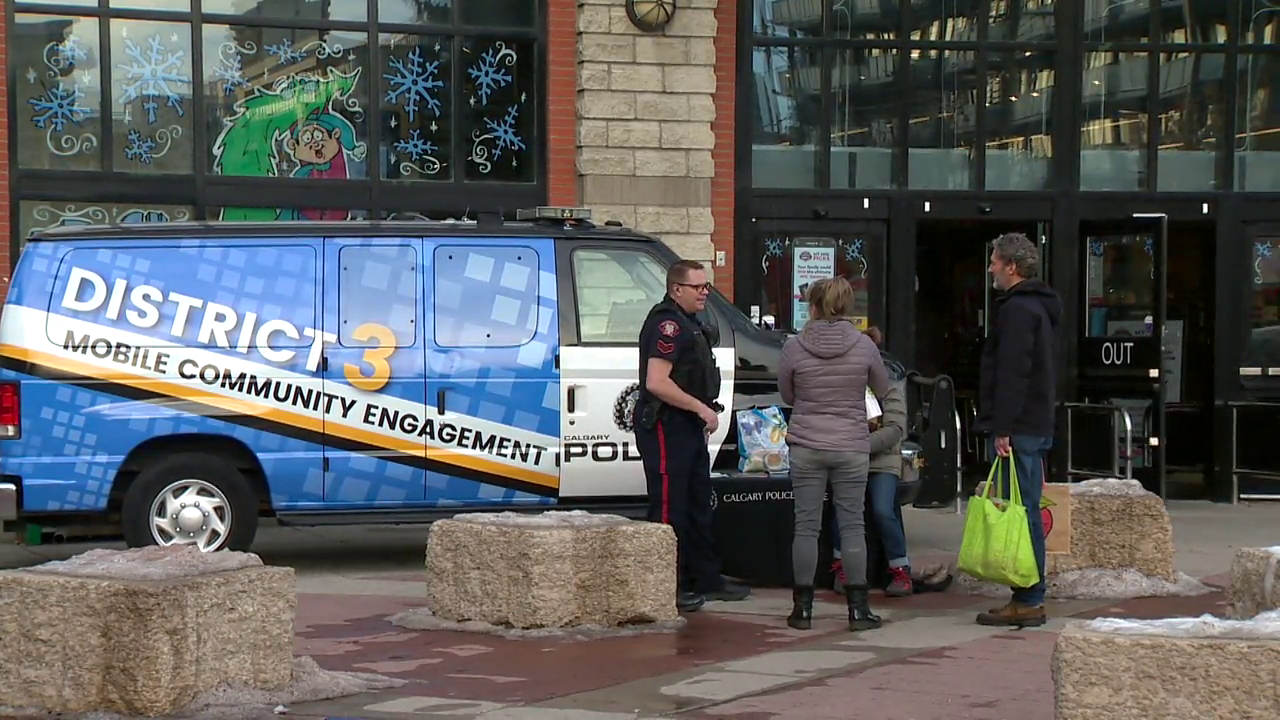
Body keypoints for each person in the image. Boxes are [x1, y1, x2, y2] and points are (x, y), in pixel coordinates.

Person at [633, 259, 751, 612]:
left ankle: (706, 577)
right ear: (676, 289)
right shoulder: (667, 326)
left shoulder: (690, 323)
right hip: (667, 425)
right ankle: (670, 586)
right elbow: (657, 382)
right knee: (671, 508)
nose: (705, 292)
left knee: (699, 501)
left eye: (706, 286)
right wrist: (700, 409)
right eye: (698, 287)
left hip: (686, 426)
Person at [778, 277, 891, 632]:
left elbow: (787, 394)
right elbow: (883, 387)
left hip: (807, 444)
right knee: (853, 525)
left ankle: (803, 610)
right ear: (847, 307)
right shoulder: (863, 346)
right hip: (850, 446)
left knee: (806, 526)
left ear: (813, 306)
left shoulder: (794, 346)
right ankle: (858, 611)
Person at [973, 232, 1062, 628]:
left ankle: (1029, 596)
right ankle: (1027, 593)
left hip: (1020, 426)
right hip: (1035, 422)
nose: (991, 267)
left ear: (1011, 266)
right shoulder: (1040, 307)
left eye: (995, 261)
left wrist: (1002, 427)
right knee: (1023, 509)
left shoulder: (1017, 311)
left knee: (1021, 512)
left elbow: (1013, 373)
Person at [830, 326, 914, 597]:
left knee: (882, 509)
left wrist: (861, 445)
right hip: (848, 460)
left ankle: (900, 569)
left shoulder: (889, 387)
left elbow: (896, 429)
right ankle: (843, 566)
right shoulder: (842, 385)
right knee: (843, 508)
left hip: (882, 461)